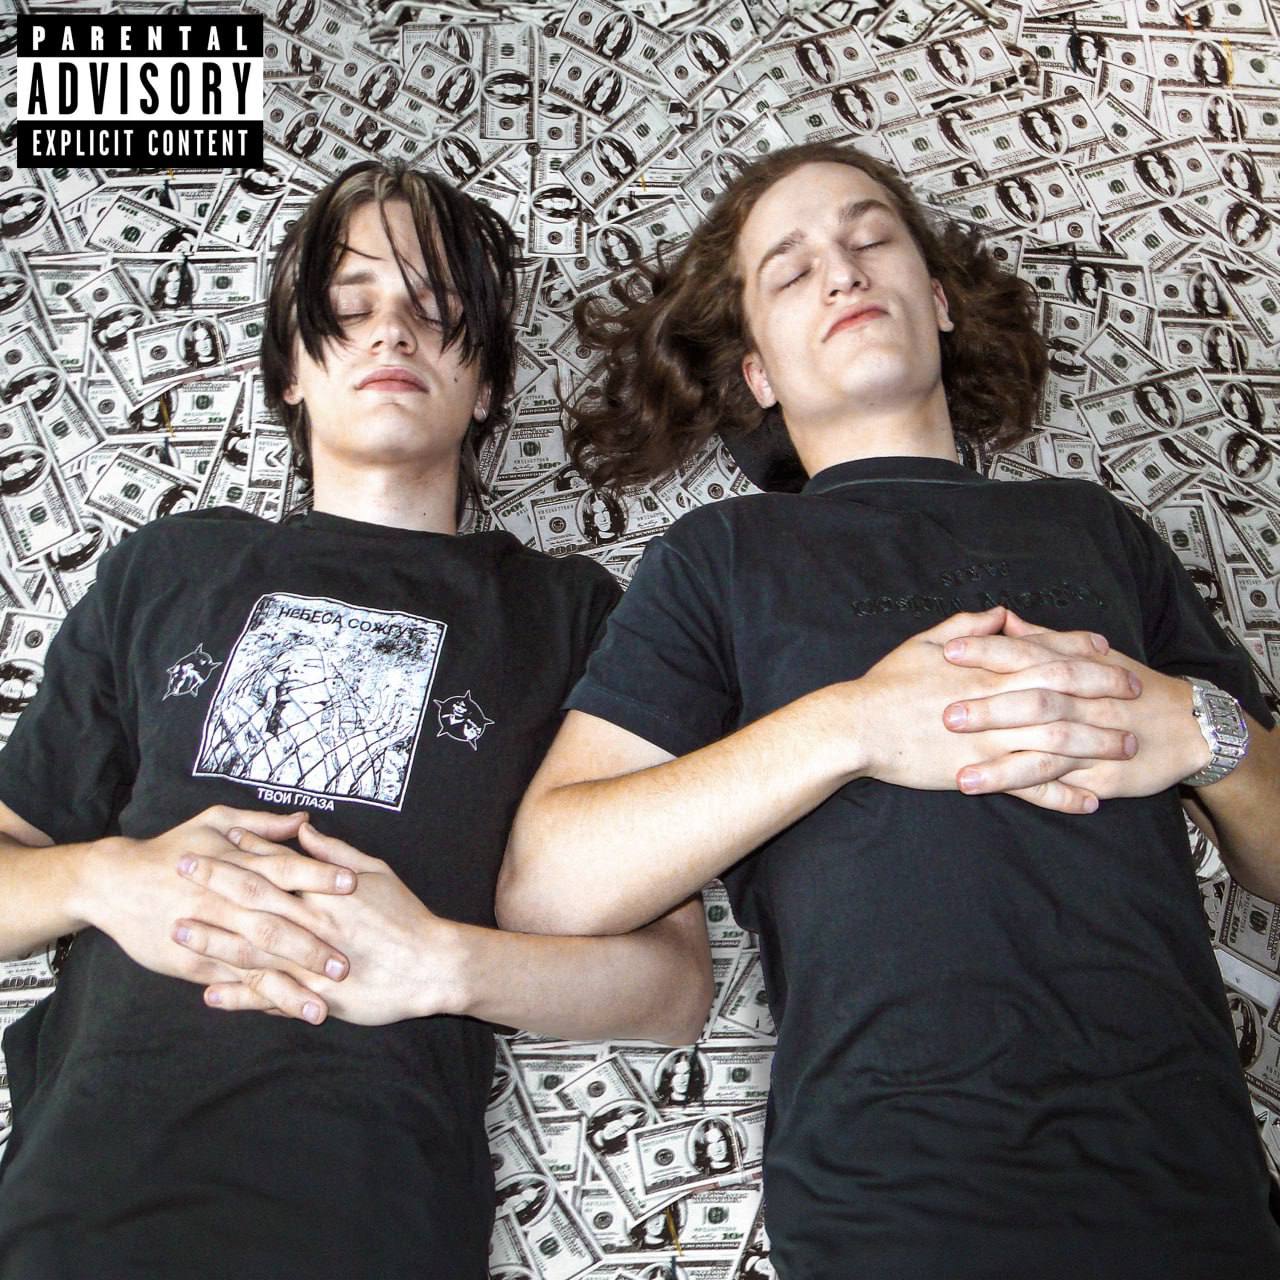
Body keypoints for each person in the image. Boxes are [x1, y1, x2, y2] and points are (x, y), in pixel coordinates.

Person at [499, 141, 1280, 1276]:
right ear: (758, 374)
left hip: (1196, 1196)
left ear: (940, 302)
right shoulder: (721, 555)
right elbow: (548, 884)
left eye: (872, 238)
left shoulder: (1093, 525)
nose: (842, 271)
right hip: (894, 1209)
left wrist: (1203, 731)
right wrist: (854, 725)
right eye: (789, 270)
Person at [0, 160, 712, 1279]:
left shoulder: (571, 611)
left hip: (369, 1204)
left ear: (488, 387)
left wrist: (445, 965)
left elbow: (673, 987)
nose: (392, 330)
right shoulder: (170, 566)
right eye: (348, 304)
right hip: (87, 1186)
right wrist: (102, 880)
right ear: (290, 369)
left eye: (436, 308)